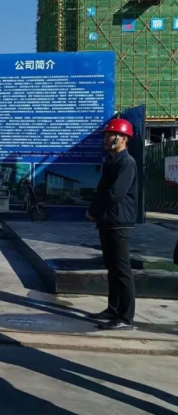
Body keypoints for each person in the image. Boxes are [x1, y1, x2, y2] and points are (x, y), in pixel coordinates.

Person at [87, 117, 138, 331]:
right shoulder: (112, 161)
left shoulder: (126, 163)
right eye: (106, 135)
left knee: (122, 270)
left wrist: (93, 211)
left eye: (110, 135)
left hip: (119, 222)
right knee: (112, 269)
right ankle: (113, 309)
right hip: (108, 221)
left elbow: (115, 194)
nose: (106, 139)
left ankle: (125, 318)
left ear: (123, 138)